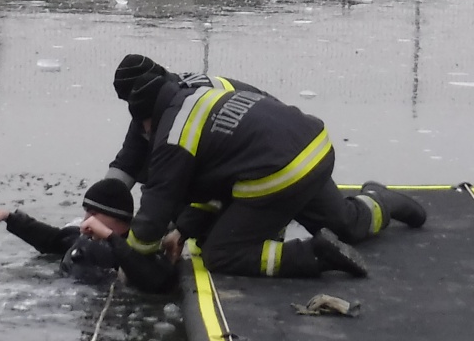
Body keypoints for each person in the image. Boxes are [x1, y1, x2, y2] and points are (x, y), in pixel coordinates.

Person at [95, 53, 425, 286]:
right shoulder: (201, 88)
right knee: (345, 224)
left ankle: (314, 255)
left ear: (145, 113)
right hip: (312, 146)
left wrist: (134, 257)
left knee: (220, 253)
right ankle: (383, 199)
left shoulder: (174, 134)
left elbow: (160, 205)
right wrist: (182, 229)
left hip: (274, 174)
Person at [0, 176, 161, 288]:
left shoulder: (132, 253)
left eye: (93, 214)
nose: (85, 220)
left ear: (116, 218)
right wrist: (8, 217)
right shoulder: (82, 238)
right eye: (86, 212)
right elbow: (51, 239)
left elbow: (150, 277)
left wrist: (109, 237)